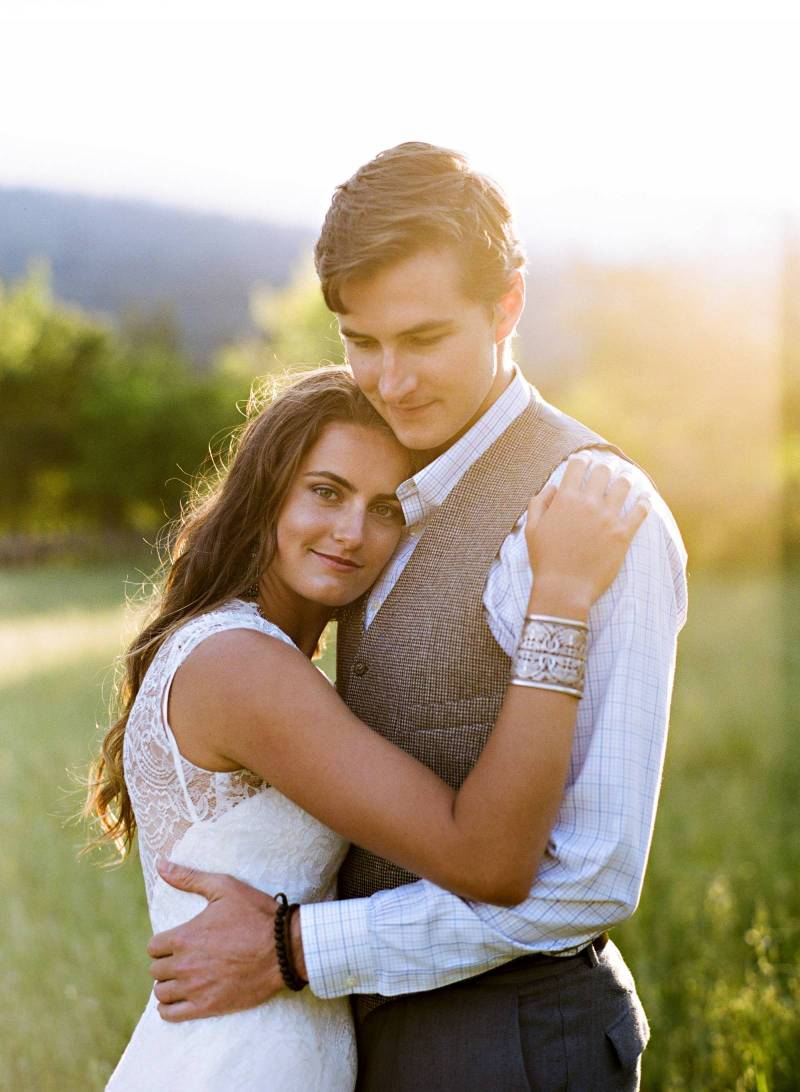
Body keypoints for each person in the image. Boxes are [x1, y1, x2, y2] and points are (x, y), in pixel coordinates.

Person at [146, 143, 688, 1090]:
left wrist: (302, 949)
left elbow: (592, 873)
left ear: (507, 305)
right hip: (362, 1033)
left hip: (510, 1036)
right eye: (361, 340)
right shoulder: (391, 491)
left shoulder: (597, 513)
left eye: (424, 338)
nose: (389, 381)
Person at [88, 365, 649, 1090]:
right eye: (326, 492)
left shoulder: (255, 657)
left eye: (387, 508)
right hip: (242, 1061)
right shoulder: (240, 666)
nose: (352, 533)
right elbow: (490, 861)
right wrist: (561, 599)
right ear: (266, 494)